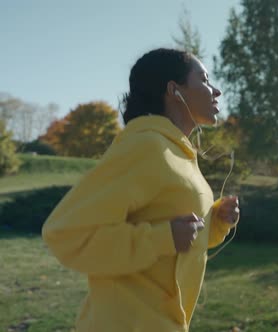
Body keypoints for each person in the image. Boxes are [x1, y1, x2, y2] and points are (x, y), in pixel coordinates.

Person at [42, 48, 240, 332]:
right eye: (205, 80)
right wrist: (162, 238)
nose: (216, 90)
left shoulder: (178, 152)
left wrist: (217, 223)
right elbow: (65, 233)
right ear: (174, 90)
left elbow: (179, 239)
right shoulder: (146, 146)